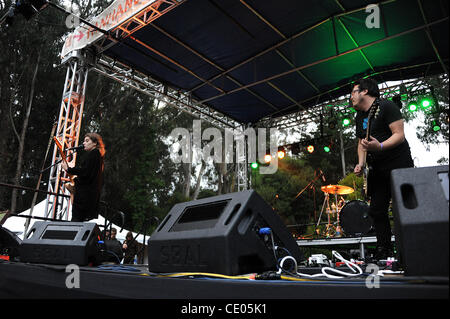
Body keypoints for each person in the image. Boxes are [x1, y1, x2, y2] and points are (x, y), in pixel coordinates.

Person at [351, 78, 414, 260]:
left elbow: (399, 135)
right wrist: (361, 163)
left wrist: (380, 147)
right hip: (377, 168)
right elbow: (361, 143)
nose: (351, 97)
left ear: (364, 91)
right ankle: (383, 249)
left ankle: (410, 248)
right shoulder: (360, 116)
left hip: (398, 163)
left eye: (354, 92)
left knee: (404, 207)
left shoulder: (386, 106)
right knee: (377, 210)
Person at [61, 132, 105, 222]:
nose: (84, 143)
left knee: (76, 221)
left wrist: (69, 169)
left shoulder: (94, 154)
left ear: (95, 143)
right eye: (84, 141)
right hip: (86, 195)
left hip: (85, 196)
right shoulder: (95, 155)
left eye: (87, 141)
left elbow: (85, 172)